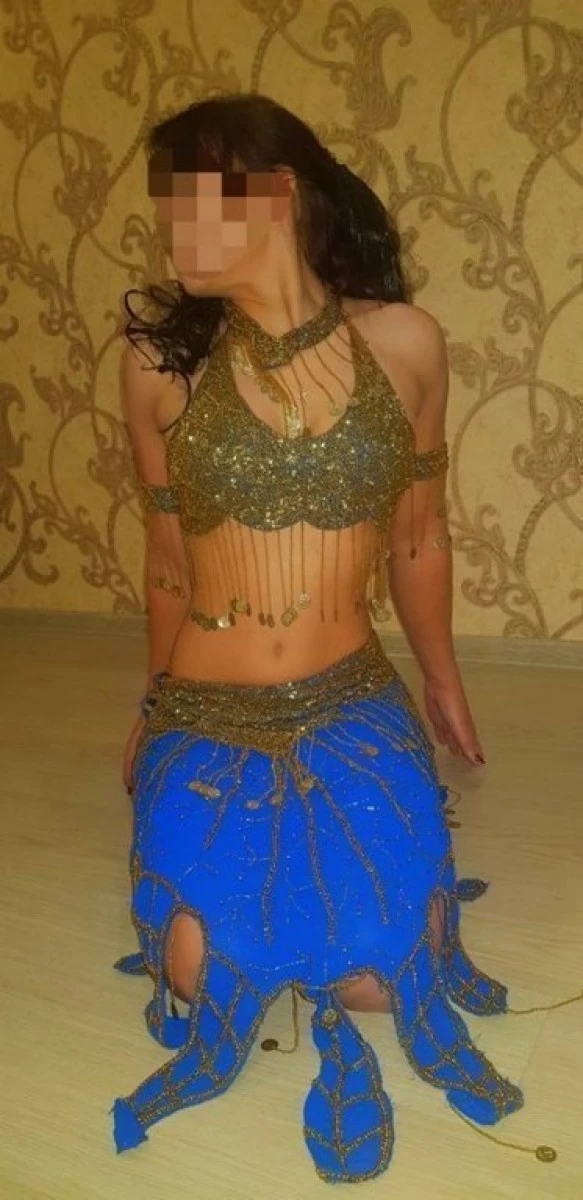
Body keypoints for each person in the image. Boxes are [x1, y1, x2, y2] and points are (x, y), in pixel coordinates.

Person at [112, 93, 522, 1184]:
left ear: (276, 194)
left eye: (194, 201)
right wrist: (149, 709)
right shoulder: (161, 365)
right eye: (167, 210)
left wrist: (443, 680)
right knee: (205, 973)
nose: (172, 231)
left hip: (350, 699)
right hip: (207, 712)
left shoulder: (403, 344)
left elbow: (419, 536)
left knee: (387, 983)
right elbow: (167, 564)